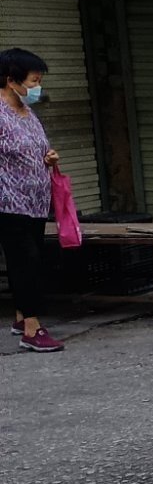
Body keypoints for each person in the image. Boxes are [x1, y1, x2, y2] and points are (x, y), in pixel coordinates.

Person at [0, 46, 64, 352]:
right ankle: (32, 329)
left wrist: (49, 157)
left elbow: (38, 149)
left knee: (30, 258)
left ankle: (20, 316)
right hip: (8, 202)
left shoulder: (27, 112)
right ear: (12, 80)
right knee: (25, 261)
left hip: (36, 201)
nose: (37, 87)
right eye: (34, 80)